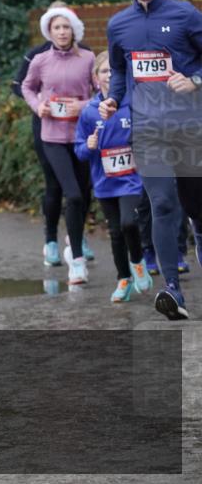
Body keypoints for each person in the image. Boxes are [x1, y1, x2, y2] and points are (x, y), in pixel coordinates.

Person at [99, 0, 202, 320]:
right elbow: (120, 71)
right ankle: (173, 290)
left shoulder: (185, 15)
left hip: (190, 129)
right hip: (148, 131)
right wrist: (112, 100)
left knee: (197, 210)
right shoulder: (119, 25)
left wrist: (194, 80)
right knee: (161, 204)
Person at [12, 1, 96, 267]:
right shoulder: (39, 58)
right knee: (61, 189)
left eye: (66, 27)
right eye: (57, 27)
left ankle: (77, 238)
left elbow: (101, 91)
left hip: (82, 135)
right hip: (50, 135)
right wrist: (39, 106)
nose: (62, 31)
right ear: (49, 30)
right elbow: (24, 87)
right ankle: (51, 241)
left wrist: (81, 106)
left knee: (82, 191)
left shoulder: (88, 57)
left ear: (74, 29)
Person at [74, 52, 153, 302]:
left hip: (131, 179)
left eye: (114, 71)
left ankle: (138, 262)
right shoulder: (88, 112)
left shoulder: (133, 105)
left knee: (129, 223)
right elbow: (80, 151)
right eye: (104, 71)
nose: (109, 75)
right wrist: (88, 145)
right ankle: (123, 279)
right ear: (96, 79)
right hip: (105, 181)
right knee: (116, 233)